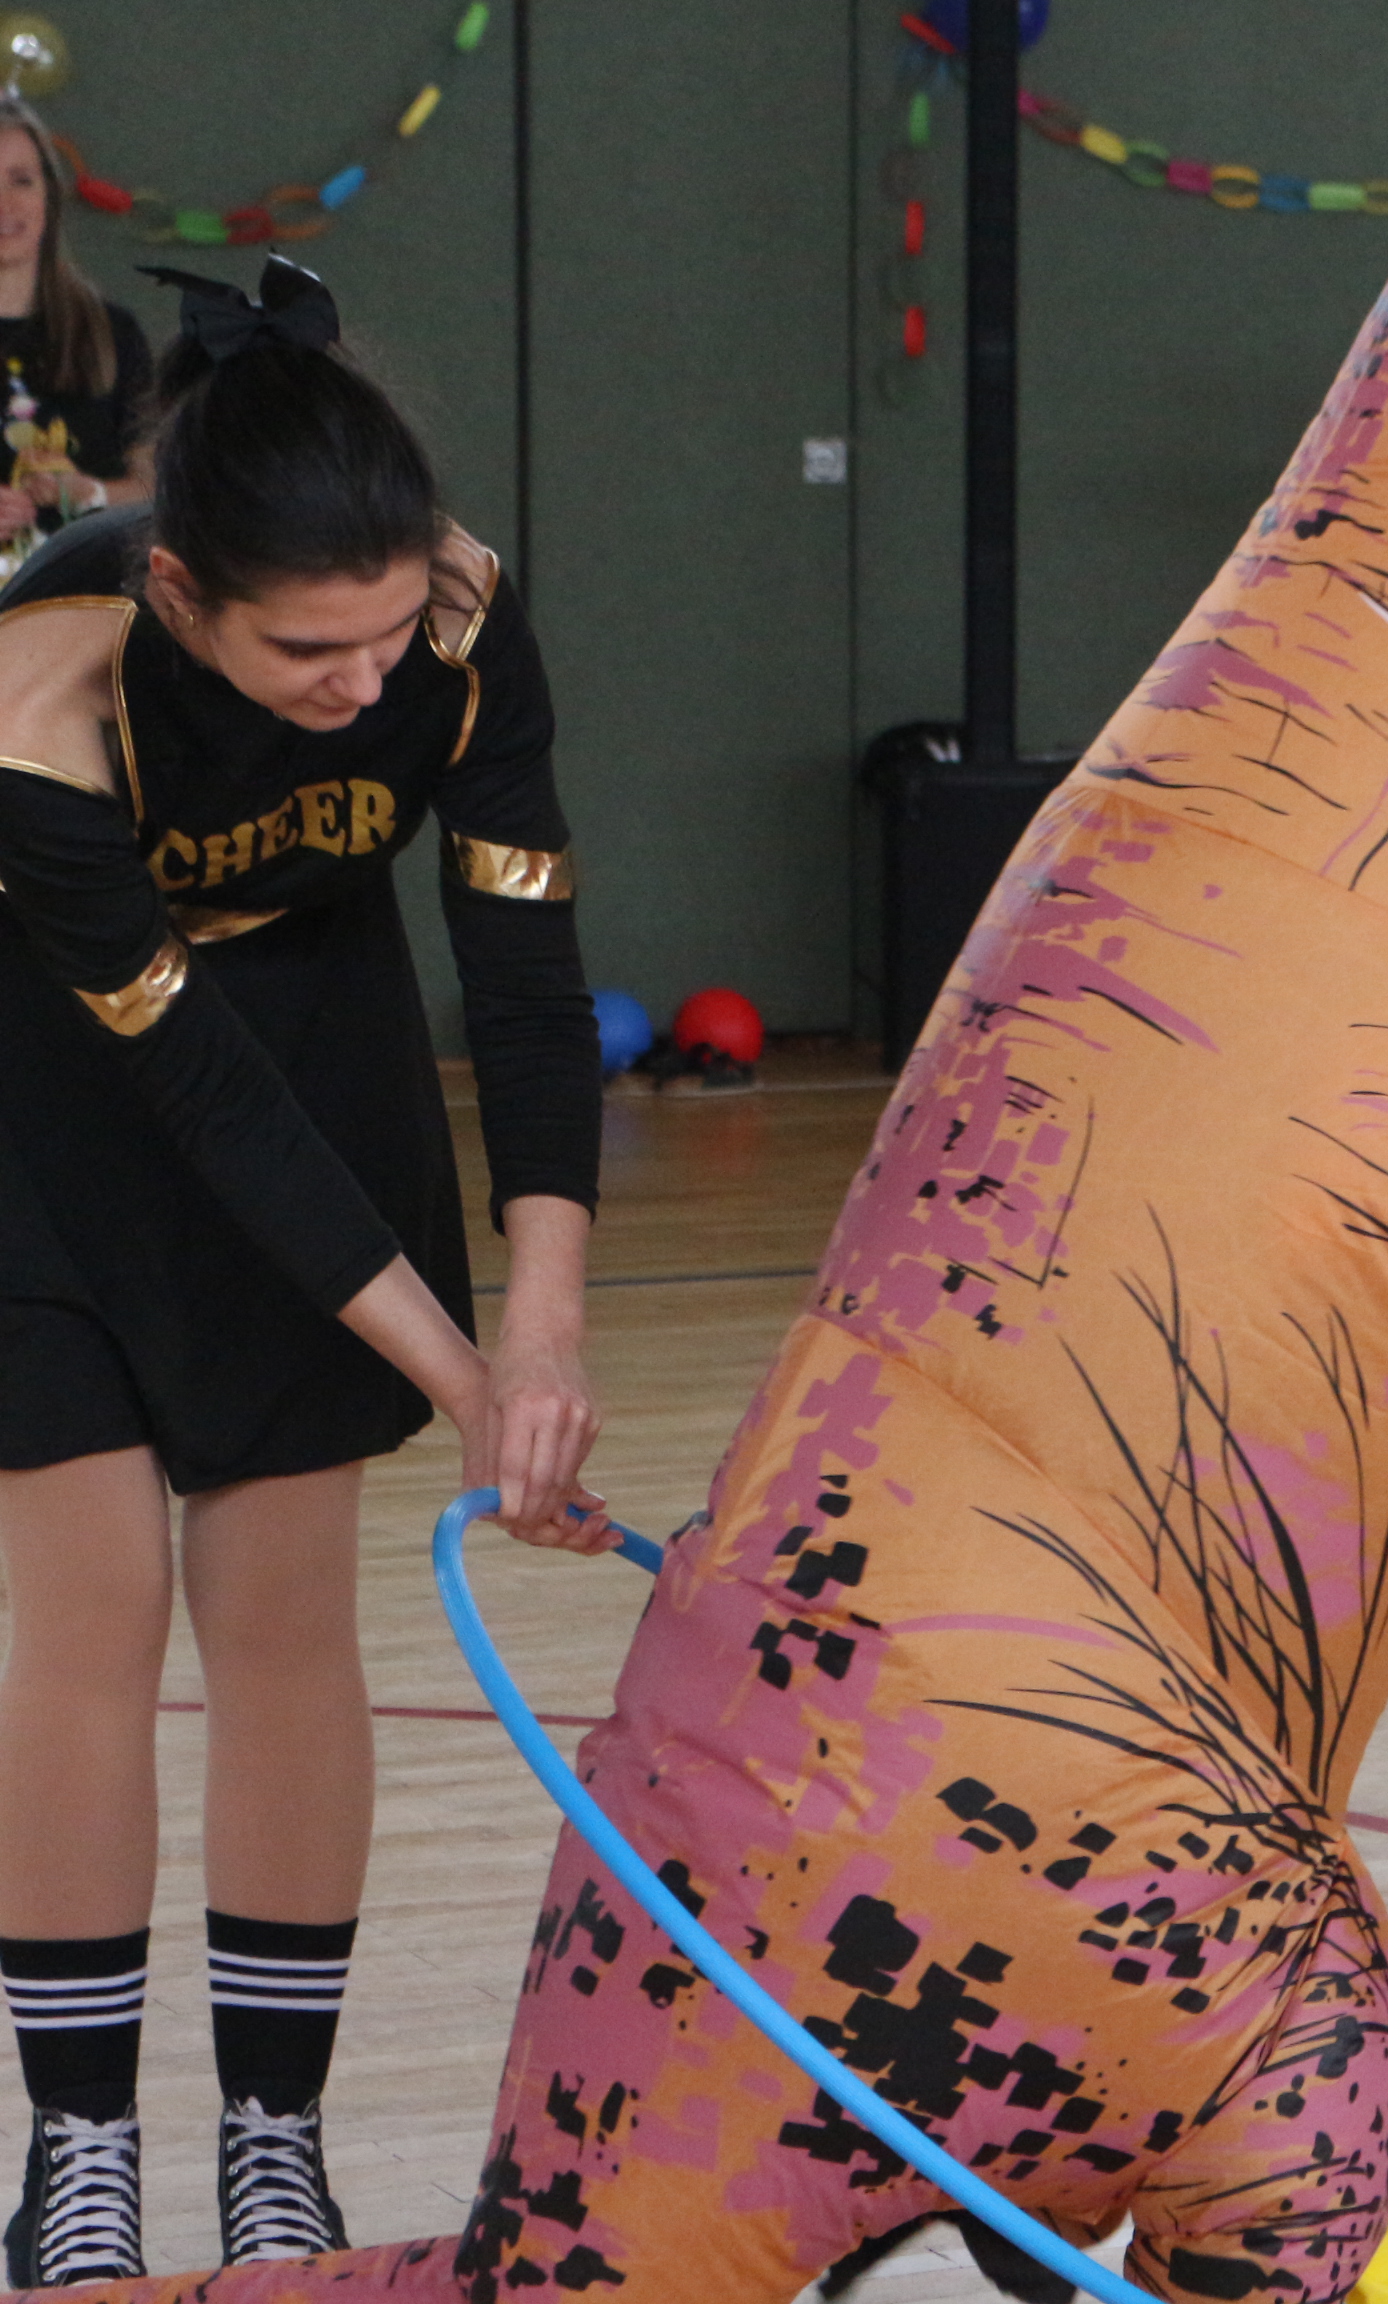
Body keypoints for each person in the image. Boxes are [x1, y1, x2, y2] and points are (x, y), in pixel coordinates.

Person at [0, 255, 609, 2284]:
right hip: (50, 1099)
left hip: (325, 1043)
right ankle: (78, 2147)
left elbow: (524, 983)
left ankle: (277, 2129)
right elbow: (195, 1091)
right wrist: (461, 1380)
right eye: (308, 652)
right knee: (88, 1609)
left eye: (386, 635)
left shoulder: (461, 619)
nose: (365, 684)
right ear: (184, 598)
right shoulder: (43, 686)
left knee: (281, 1618)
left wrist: (542, 1330)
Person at [0, 96, 156, 561]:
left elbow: (156, 490)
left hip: (88, 590)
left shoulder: (112, 334)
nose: (5, 203)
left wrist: (90, 492)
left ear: (49, 195)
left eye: (21, 181)